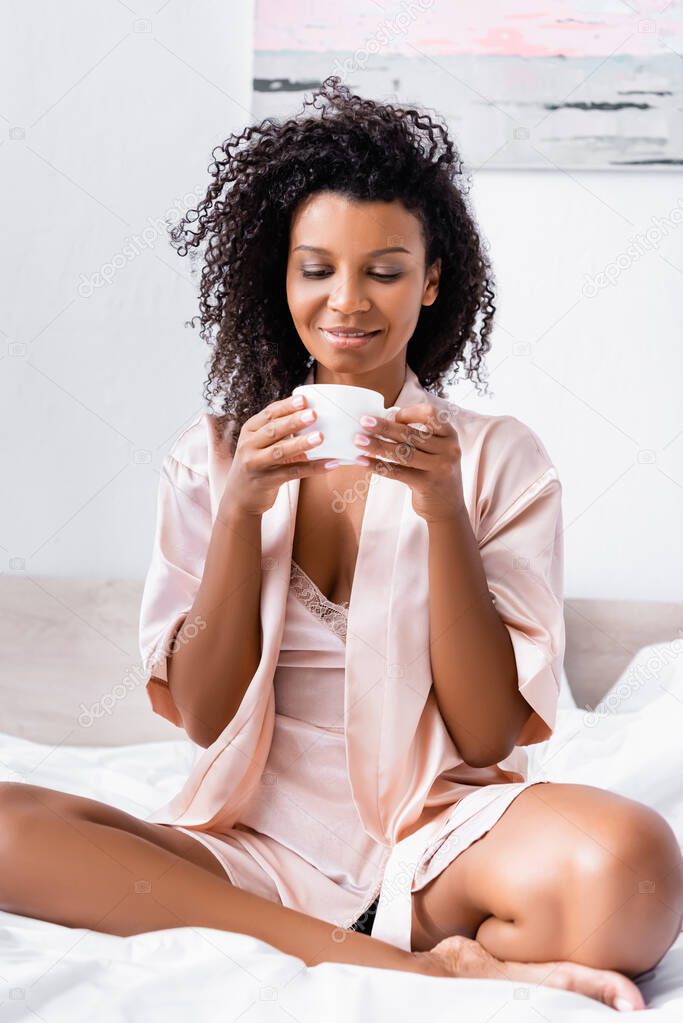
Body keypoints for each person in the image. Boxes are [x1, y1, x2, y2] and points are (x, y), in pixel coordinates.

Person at [1, 76, 680, 1013]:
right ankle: (406, 965)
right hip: (250, 843)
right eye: (315, 268)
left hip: (442, 839)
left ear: (432, 279)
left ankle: (375, 938)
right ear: (278, 277)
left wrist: (443, 513)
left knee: (633, 868)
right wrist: (240, 513)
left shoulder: (493, 459)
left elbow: (487, 732)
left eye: (384, 270)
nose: (346, 303)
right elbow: (202, 716)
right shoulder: (209, 462)